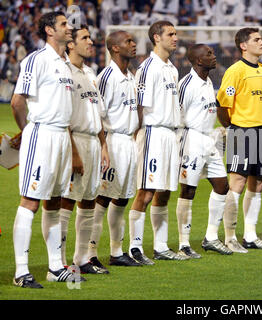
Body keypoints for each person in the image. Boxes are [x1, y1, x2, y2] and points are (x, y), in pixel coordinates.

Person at [11, 11, 84, 288]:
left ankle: (55, 267)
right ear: (49, 30)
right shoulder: (36, 59)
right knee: (30, 201)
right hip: (41, 134)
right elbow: (18, 102)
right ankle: (21, 271)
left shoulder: (65, 63)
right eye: (64, 24)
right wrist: (25, 130)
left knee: (53, 201)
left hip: (62, 137)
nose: (69, 27)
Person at [129, 20, 188, 261]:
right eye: (170, 34)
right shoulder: (147, 68)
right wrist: (137, 134)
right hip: (152, 133)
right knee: (145, 191)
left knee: (164, 191)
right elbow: (139, 106)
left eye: (176, 34)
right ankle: (135, 247)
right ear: (156, 37)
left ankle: (161, 246)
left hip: (170, 135)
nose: (175, 38)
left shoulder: (172, 69)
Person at [87, 30, 143, 269]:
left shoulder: (129, 75)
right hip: (112, 141)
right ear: (115, 48)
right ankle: (89, 253)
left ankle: (117, 252)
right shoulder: (107, 77)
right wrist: (103, 147)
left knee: (121, 198)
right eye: (128, 41)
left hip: (128, 142)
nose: (134, 44)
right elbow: (98, 115)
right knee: (102, 198)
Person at [217, 27, 262, 252]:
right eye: (257, 40)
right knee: (237, 183)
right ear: (243, 45)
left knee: (258, 183)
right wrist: (231, 128)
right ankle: (230, 237)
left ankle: (250, 235)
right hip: (241, 130)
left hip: (261, 130)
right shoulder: (235, 70)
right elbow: (222, 105)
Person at [58, 25, 110, 274]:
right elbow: (64, 116)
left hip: (93, 142)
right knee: (67, 200)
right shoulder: (65, 72)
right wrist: (74, 153)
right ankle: (59, 261)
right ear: (70, 44)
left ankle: (82, 259)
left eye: (91, 37)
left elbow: (98, 115)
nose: (91, 42)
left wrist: (104, 147)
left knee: (89, 200)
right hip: (75, 140)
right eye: (85, 38)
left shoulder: (90, 73)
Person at [176, 44, 232, 257]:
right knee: (188, 190)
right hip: (191, 139)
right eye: (208, 54)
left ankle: (210, 237)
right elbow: (177, 115)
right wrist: (179, 145)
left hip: (209, 140)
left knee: (222, 185)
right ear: (198, 60)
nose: (214, 56)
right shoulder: (186, 85)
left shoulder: (208, 81)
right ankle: (183, 244)